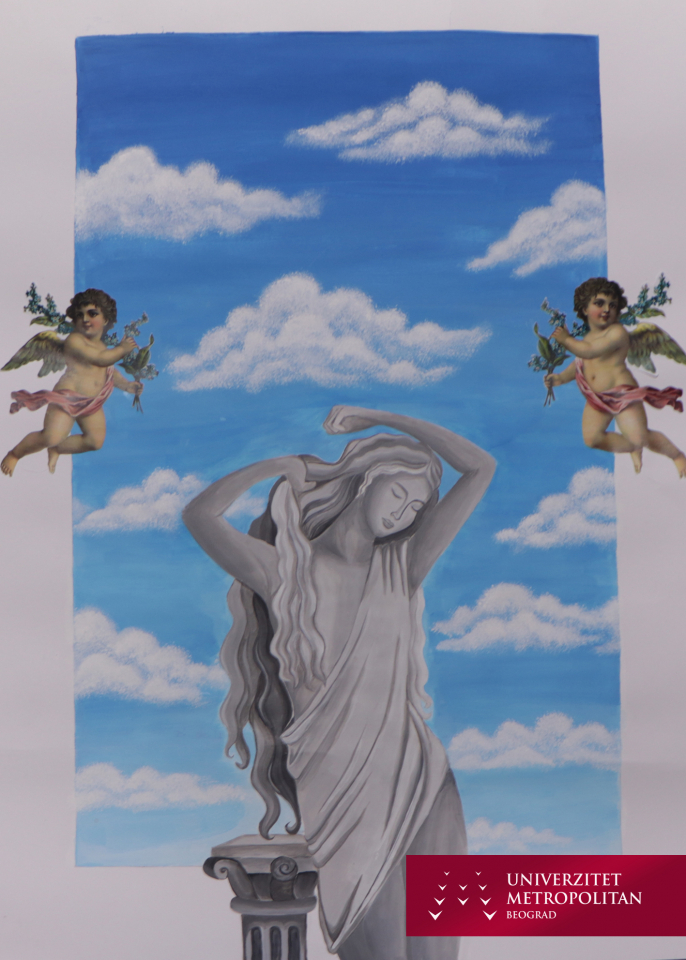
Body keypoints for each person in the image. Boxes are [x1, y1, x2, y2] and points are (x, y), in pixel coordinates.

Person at [183, 405, 496, 960]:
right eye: (398, 493)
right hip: (339, 798)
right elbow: (200, 515)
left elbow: (479, 468)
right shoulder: (286, 573)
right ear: (366, 480)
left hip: (422, 781)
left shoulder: (403, 566)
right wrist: (278, 465)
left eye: (416, 507)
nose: (403, 513)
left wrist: (379, 418)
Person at [545, 278, 686, 477]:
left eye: (612, 305)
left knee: (641, 437)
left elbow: (589, 351)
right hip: (597, 398)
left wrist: (567, 340)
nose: (606, 309)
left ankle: (677, 455)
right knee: (592, 439)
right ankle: (631, 447)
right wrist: (560, 378)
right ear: (584, 309)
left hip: (622, 395)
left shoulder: (617, 332)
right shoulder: (587, 338)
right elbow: (580, 363)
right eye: (599, 303)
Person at [1, 289, 142, 476]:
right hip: (67, 399)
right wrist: (122, 350)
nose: (85, 319)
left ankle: (58, 449)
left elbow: (108, 370)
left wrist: (127, 385)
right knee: (51, 436)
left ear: (106, 319)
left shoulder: (102, 346)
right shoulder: (74, 341)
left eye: (92, 314)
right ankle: (15, 454)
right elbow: (100, 359)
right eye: (80, 315)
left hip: (91, 402)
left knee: (95, 441)